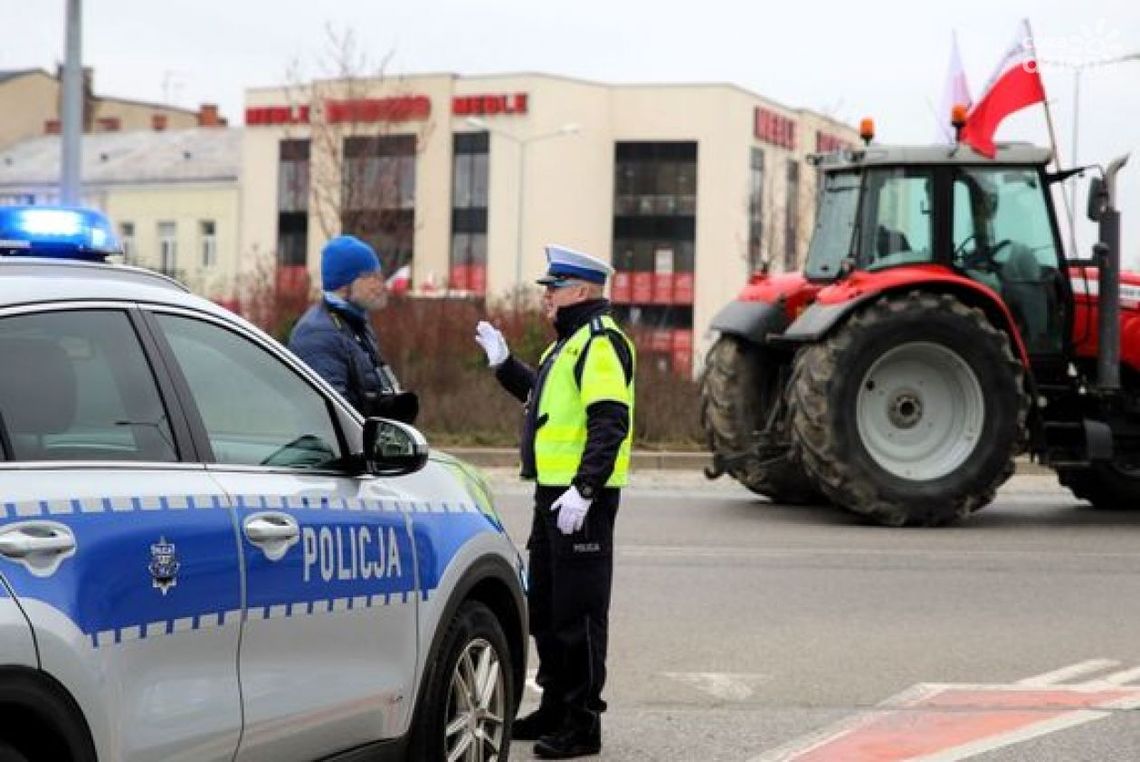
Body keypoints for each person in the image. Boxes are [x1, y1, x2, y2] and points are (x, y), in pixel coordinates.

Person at [475, 244, 635, 759]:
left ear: (583, 291)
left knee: (578, 613)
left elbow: (609, 422)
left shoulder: (600, 344)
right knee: (544, 606)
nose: (546, 297)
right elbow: (543, 399)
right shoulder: (563, 347)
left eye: (555, 288)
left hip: (581, 500)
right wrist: (504, 367)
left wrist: (586, 489)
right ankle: (554, 706)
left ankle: (582, 722)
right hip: (554, 495)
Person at [289, 235, 418, 425]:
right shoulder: (319, 335)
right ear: (344, 284)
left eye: (379, 275)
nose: (380, 285)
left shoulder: (355, 325)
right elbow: (333, 419)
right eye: (370, 276)